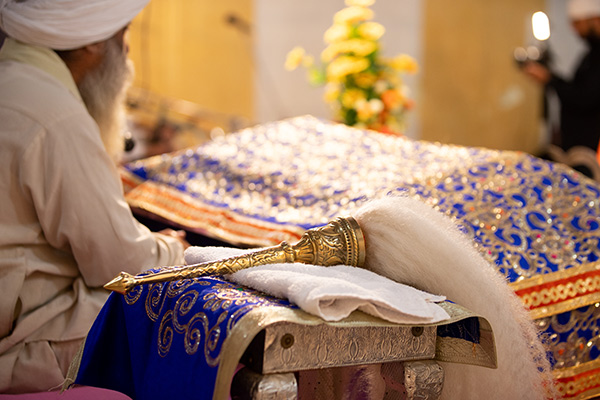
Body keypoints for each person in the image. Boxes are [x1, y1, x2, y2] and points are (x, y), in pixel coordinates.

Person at [0, 0, 189, 393]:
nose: (128, 51)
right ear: (89, 42)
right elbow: (121, 264)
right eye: (123, 34)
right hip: (20, 347)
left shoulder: (15, 77)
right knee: (179, 304)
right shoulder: (52, 113)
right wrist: (171, 248)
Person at [522, 0, 600, 177]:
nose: (575, 30)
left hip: (589, 151)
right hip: (575, 146)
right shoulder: (590, 54)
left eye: (578, 24)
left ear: (594, 19)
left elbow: (586, 97)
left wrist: (550, 79)